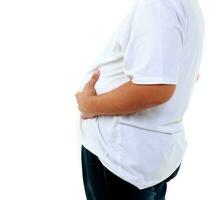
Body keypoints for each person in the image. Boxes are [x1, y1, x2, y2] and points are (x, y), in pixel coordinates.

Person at [75, 0, 205, 199]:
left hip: (122, 160)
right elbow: (177, 75)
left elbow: (155, 89)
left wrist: (89, 105)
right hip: (145, 156)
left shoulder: (159, 5)